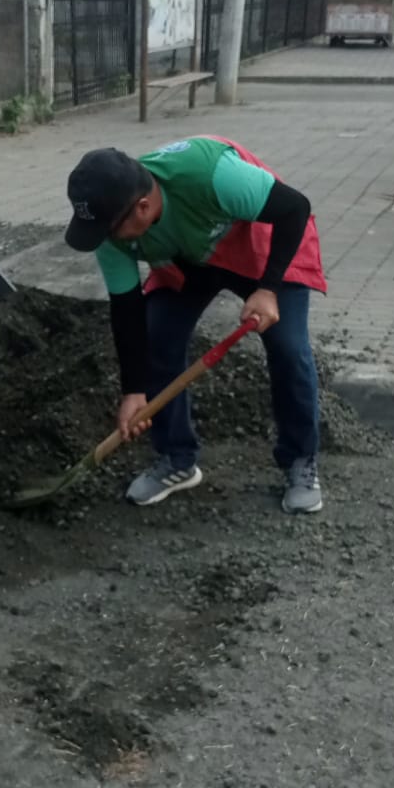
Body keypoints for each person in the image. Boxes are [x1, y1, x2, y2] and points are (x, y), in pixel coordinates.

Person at [64, 134, 327, 515]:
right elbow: (126, 308)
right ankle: (177, 458)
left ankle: (301, 460)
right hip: (192, 256)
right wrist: (134, 390)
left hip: (262, 246)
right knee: (157, 336)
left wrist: (268, 289)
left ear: (142, 208)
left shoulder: (211, 175)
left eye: (110, 230)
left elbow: (295, 208)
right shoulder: (111, 232)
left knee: (287, 345)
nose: (106, 239)